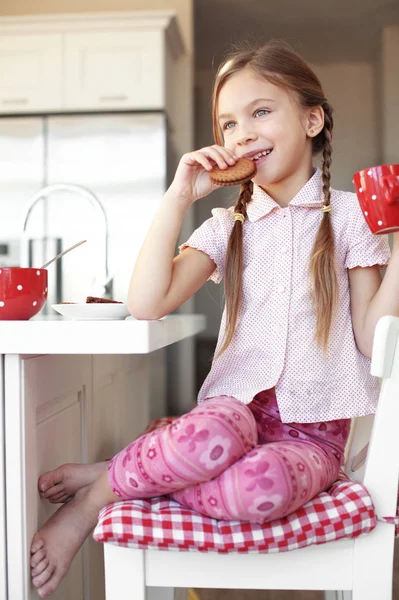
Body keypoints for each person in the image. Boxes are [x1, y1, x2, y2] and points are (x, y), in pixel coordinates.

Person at [30, 39, 399, 598]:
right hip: (229, 416)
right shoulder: (229, 223)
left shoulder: (351, 219)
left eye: (260, 112)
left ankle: (129, 472)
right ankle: (97, 497)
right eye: (228, 123)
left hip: (311, 439)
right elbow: (146, 302)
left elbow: (375, 344)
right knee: (210, 430)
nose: (242, 133)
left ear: (313, 119)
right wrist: (180, 196)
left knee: (262, 489)